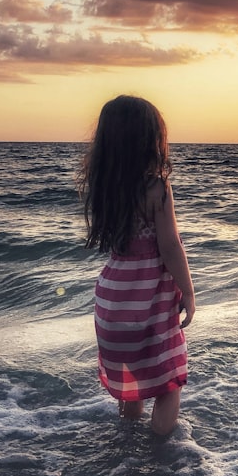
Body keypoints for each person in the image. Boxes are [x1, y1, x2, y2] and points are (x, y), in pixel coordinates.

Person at [78, 95, 195, 435]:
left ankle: (126, 453)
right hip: (148, 304)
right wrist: (188, 292)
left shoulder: (103, 187)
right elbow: (170, 246)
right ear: (148, 139)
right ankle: (160, 460)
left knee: (131, 385)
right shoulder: (155, 186)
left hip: (112, 302)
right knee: (168, 385)